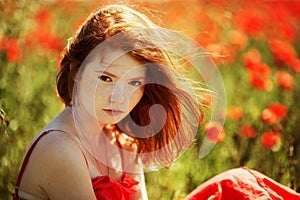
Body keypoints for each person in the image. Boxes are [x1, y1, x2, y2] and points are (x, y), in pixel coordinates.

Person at [13, 4, 203, 200]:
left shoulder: (123, 143)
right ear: (77, 72)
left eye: (134, 82)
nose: (119, 98)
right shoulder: (60, 148)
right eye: (106, 78)